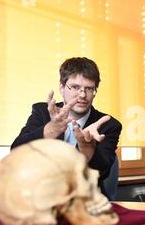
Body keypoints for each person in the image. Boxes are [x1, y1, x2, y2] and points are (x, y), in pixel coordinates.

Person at [12, 57, 122, 197]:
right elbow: (17, 152)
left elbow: (102, 172)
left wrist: (88, 150)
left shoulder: (108, 124)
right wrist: (50, 130)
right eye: (75, 87)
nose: (82, 95)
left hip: (86, 201)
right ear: (62, 88)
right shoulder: (42, 112)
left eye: (89, 89)